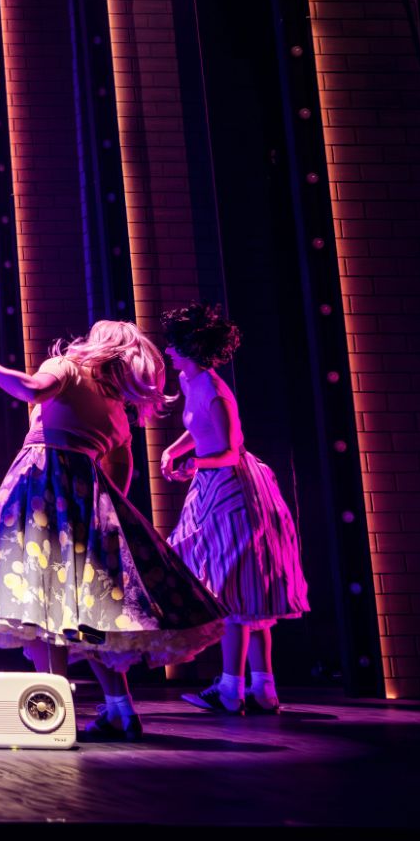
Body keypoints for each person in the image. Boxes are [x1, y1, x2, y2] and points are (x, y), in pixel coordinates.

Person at [0, 323, 225, 741]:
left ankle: (54, 713)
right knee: (86, 619)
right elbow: (121, 468)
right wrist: (99, 512)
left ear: (99, 343)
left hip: (40, 492)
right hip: (86, 502)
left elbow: (31, 389)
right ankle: (120, 708)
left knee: (36, 608)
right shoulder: (116, 407)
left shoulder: (67, 368)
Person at [160, 303, 310, 714]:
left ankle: (232, 689)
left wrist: (194, 463)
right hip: (212, 486)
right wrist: (174, 450)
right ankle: (262, 689)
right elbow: (198, 430)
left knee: (233, 590)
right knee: (241, 589)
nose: (167, 351)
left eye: (172, 344)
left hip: (234, 489)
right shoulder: (189, 380)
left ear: (189, 347)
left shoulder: (213, 391)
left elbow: (229, 449)